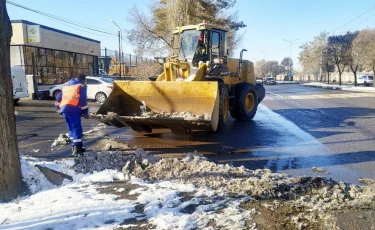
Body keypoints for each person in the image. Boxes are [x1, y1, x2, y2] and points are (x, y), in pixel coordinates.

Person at [55, 73, 89, 157]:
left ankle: (78, 146)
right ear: (84, 80)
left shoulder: (67, 85)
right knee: (76, 128)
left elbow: (59, 97)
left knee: (71, 127)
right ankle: (76, 149)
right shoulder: (81, 86)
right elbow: (82, 100)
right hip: (73, 109)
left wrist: (57, 108)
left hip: (64, 109)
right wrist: (85, 112)